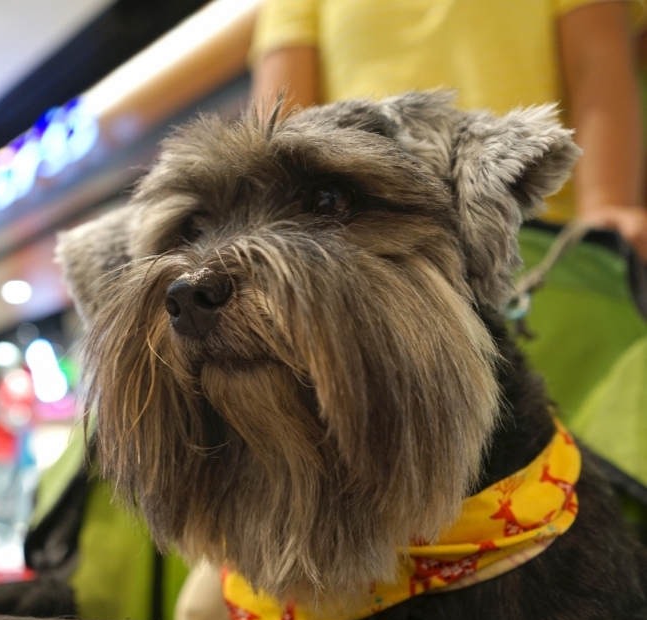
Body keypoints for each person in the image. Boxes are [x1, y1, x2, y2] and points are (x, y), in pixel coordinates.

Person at [249, 0, 647, 488]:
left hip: (548, 253)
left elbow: (598, 64)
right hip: (365, 267)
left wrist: (605, 207)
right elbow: (274, 132)